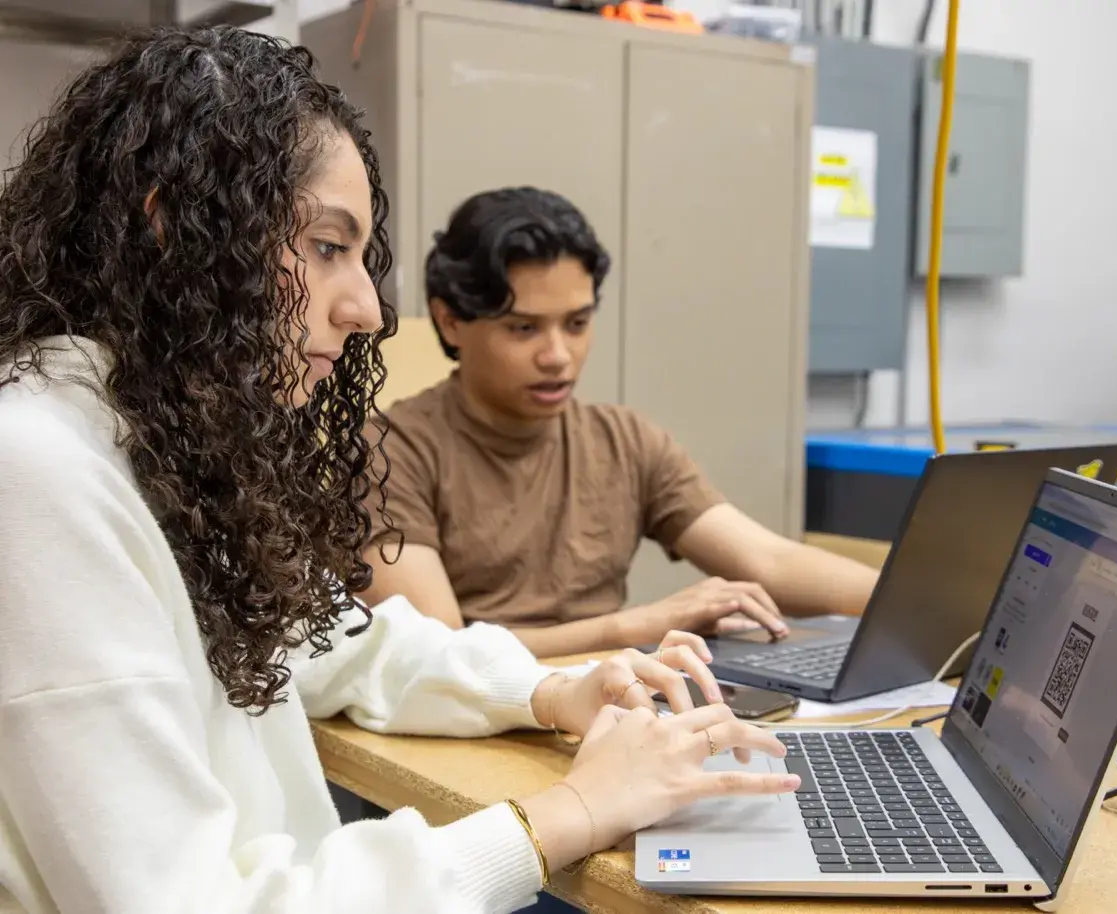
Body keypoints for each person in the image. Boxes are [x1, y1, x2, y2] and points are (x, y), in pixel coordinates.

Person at [0, 27, 800, 914]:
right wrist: (570, 811)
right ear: (174, 230)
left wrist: (547, 690)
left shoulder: (151, 437)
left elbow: (339, 642)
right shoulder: (37, 468)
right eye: (326, 246)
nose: (368, 310)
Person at [359, 187, 882, 658]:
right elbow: (436, 650)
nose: (559, 356)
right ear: (450, 320)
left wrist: (931, 607)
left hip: (610, 713)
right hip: (463, 730)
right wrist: (636, 627)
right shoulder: (389, 451)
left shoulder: (624, 441)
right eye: (524, 329)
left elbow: (770, 562)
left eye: (578, 324)